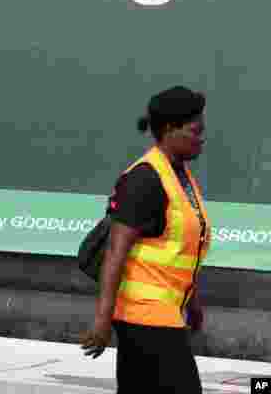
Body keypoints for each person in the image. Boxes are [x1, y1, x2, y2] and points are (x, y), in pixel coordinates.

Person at [81, 85, 210, 394]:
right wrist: (102, 319)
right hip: (144, 316)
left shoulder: (179, 174)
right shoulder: (146, 179)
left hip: (162, 312)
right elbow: (115, 251)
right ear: (169, 129)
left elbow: (176, 249)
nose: (202, 137)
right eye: (196, 130)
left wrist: (192, 302)